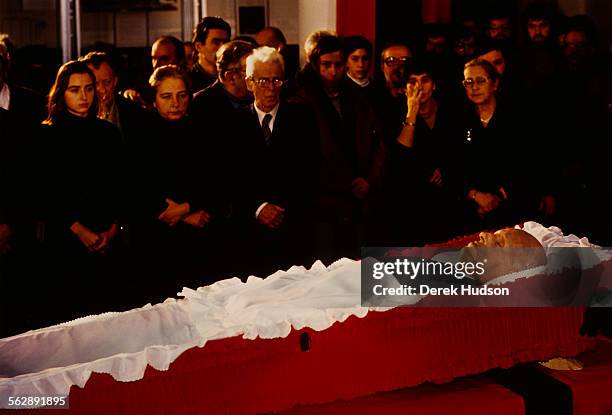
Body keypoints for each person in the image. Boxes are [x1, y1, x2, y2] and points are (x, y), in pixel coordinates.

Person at [36, 61, 124, 324]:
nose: (84, 96)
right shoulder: (46, 135)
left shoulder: (109, 133)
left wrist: (113, 228)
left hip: (108, 237)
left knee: (109, 316)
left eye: (89, 88)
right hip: (65, 241)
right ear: (61, 93)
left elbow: (121, 185)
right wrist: (78, 229)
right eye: (75, 90)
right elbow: (45, 192)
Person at [294, 34, 385, 263]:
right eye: (326, 65)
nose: (333, 71)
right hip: (321, 201)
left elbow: (378, 142)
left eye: (338, 65)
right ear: (316, 64)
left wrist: (369, 179)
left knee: (357, 269)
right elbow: (304, 155)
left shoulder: (356, 95)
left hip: (358, 196)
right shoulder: (300, 96)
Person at [240, 46, 320, 274]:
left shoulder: (302, 117)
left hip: (294, 228)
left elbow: (311, 171)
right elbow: (230, 177)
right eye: (263, 81)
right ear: (249, 83)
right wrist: (258, 208)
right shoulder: (232, 124)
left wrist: (282, 210)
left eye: (276, 81)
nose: (271, 89)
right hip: (249, 232)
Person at [380, 59, 460, 245]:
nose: (419, 87)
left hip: (448, 196)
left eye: (424, 80)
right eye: (413, 81)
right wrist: (412, 112)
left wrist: (445, 169)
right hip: (410, 200)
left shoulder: (450, 110)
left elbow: (458, 150)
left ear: (434, 85)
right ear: (405, 87)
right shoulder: (393, 112)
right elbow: (400, 156)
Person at [79, 51, 147, 142]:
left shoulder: (135, 112)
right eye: (95, 84)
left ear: (115, 82)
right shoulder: (75, 114)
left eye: (107, 82)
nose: (102, 89)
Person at [190, 16, 231, 93]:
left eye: (226, 42)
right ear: (198, 46)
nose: (222, 47)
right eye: (216, 42)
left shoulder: (231, 79)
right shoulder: (188, 81)